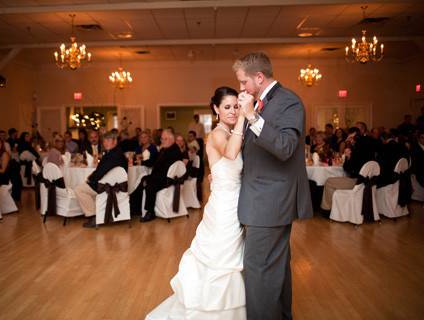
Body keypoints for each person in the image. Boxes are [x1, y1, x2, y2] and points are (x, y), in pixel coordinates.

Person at [146, 86, 246, 319]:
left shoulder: (232, 133)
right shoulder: (218, 134)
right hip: (223, 209)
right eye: (227, 107)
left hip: (233, 202)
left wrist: (218, 174)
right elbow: (231, 155)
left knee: (229, 260)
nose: (233, 111)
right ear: (216, 109)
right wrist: (243, 117)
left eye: (236, 106)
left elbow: (232, 166)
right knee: (222, 260)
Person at [233, 52, 312, 320]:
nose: (242, 88)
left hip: (270, 202)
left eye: (244, 82)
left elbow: (285, 147)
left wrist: (253, 118)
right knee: (274, 269)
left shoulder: (288, 102)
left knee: (258, 271)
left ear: (259, 77)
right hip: (260, 199)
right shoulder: (262, 103)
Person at [74, 132, 127, 228]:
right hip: (115, 185)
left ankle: (93, 216)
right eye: (104, 141)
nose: (105, 143)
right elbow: (103, 171)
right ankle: (99, 213)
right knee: (86, 187)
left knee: (79, 189)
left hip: (106, 187)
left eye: (108, 140)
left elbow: (101, 172)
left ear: (115, 141)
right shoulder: (117, 153)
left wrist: (90, 178)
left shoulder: (113, 155)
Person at [130, 129, 183, 222]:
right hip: (160, 176)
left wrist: (152, 177)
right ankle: (135, 208)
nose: (162, 141)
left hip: (168, 179)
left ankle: (150, 212)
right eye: (162, 139)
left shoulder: (174, 151)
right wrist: (143, 163)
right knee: (142, 179)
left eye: (165, 139)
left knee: (150, 185)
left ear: (172, 139)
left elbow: (166, 169)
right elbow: (154, 162)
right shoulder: (165, 149)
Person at [321, 127, 377, 210]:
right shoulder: (368, 146)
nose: (351, 140)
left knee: (329, 182)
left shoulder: (356, 149)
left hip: (357, 182)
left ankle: (328, 209)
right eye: (350, 138)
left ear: (357, 136)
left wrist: (348, 157)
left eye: (352, 138)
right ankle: (337, 207)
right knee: (335, 180)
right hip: (367, 182)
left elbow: (348, 169)